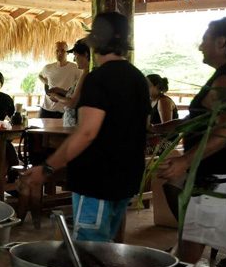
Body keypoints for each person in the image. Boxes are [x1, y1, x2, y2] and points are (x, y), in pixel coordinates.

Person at [22, 12, 150, 242]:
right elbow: (144, 128)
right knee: (106, 245)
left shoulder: (97, 79)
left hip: (98, 179)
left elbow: (87, 132)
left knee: (90, 249)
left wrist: (47, 168)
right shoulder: (138, 78)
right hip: (127, 176)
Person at [157, 17, 226, 267]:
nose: (201, 45)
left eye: (206, 38)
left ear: (222, 42)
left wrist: (186, 159)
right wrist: (161, 131)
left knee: (189, 243)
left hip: (221, 176)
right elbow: (201, 120)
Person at [46, 39, 91, 127]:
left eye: (75, 55)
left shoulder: (86, 75)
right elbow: (78, 96)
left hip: (74, 125)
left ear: (85, 55)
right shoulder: (85, 73)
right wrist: (60, 90)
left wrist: (57, 97)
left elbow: (72, 102)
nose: (74, 59)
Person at [37, 41, 82, 119]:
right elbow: (40, 75)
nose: (59, 53)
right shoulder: (48, 68)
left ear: (67, 53)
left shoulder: (75, 68)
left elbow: (80, 86)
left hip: (64, 111)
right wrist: (45, 82)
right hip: (47, 109)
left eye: (62, 51)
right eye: (57, 51)